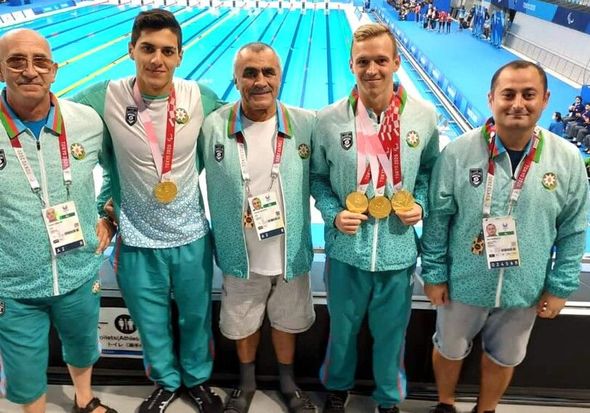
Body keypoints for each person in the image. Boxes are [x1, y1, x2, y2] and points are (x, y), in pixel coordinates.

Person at [73, 10, 223, 413]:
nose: (157, 59)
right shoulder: (103, 97)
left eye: (167, 51)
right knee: (150, 322)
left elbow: (241, 135)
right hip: (136, 238)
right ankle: (166, 382)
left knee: (196, 318)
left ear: (180, 56)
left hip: (191, 236)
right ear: (131, 50)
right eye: (148, 49)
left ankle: (197, 380)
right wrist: (103, 211)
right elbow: (60, 130)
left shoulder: (200, 97)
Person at [421, 60, 589, 413]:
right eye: (508, 94)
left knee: (505, 356)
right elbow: (437, 219)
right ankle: (445, 405)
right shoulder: (458, 152)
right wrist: (434, 274)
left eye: (529, 95)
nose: (518, 104)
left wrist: (560, 287)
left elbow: (574, 229)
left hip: (524, 286)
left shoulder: (567, 159)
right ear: (491, 98)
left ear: (545, 99)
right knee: (449, 348)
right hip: (463, 281)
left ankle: (486, 409)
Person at [310, 23, 439, 413]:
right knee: (342, 331)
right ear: (351, 64)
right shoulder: (328, 120)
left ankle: (388, 399)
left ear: (396, 62)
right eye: (363, 61)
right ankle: (337, 387)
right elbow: (317, 177)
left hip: (397, 252)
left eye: (381, 60)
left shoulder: (423, 116)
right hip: (346, 252)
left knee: (391, 335)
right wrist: (334, 215)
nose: (372, 70)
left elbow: (430, 171)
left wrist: (420, 204)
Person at [0, 29, 116, 413]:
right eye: (17, 61)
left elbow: (117, 173)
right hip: (12, 283)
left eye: (40, 62)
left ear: (54, 70)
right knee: (24, 371)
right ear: (1, 70)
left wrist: (108, 216)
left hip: (78, 271)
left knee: (82, 346)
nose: (29, 70)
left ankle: (85, 400)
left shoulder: (86, 121)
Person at [200, 42, 317, 413]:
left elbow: (326, 178)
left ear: (280, 77)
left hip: (290, 251)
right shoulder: (213, 126)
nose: (260, 81)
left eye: (268, 72)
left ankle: (288, 382)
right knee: (242, 322)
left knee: (287, 320)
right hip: (241, 253)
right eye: (249, 73)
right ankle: (246, 383)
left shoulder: (306, 123)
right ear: (236, 80)